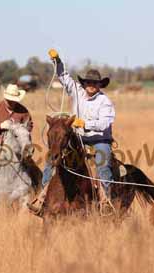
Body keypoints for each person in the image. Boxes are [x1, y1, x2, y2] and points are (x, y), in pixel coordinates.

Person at [28, 49, 115, 215]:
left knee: (103, 163)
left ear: (99, 85)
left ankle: (105, 201)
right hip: (77, 138)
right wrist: (57, 61)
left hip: (99, 140)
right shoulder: (77, 91)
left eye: (95, 83)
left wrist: (86, 123)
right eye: (88, 82)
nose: (91, 85)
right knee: (52, 157)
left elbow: (105, 123)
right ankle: (42, 198)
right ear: (84, 83)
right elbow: (63, 77)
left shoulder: (105, 102)